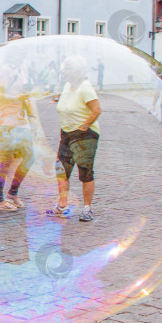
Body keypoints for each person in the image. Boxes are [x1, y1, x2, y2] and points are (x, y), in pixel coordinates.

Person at [47, 56, 101, 222]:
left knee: (85, 172)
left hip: (84, 135)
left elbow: (97, 110)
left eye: (68, 68)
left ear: (77, 71)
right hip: (67, 133)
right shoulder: (68, 86)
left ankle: (87, 208)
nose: (64, 71)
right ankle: (62, 205)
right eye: (65, 68)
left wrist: (84, 127)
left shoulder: (85, 87)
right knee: (62, 171)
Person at [0, 56, 36, 211]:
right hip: (7, 121)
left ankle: (12, 193)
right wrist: (15, 97)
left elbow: (26, 97)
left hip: (21, 122)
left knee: (30, 157)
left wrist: (32, 118)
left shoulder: (22, 68)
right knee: (6, 161)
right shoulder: (5, 69)